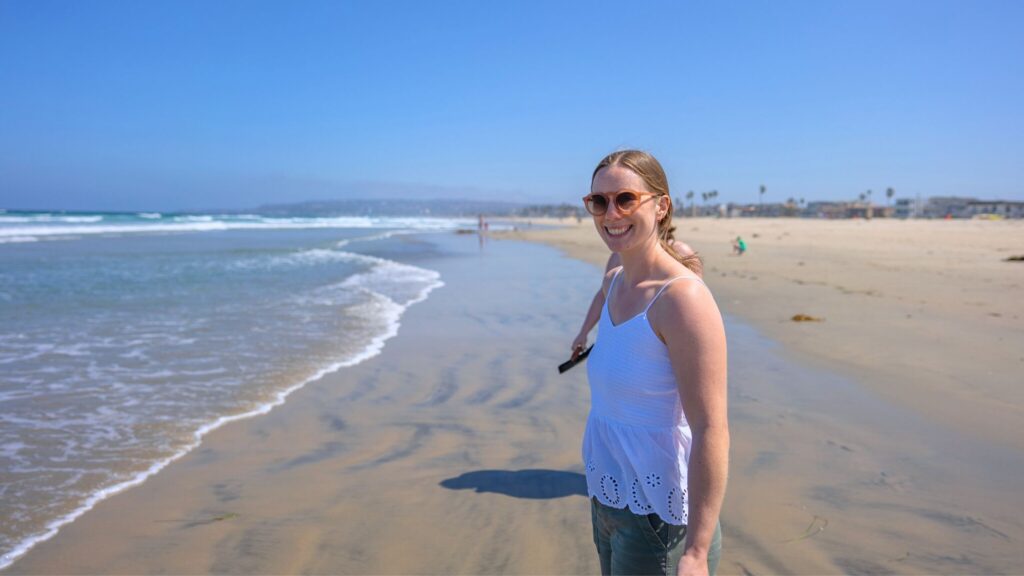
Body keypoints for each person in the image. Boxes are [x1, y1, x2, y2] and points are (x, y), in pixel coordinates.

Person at [576, 150, 728, 576]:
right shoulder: (614, 282)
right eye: (599, 201)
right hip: (607, 499)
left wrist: (696, 553)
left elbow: (711, 428)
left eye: (626, 198)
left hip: (660, 521)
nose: (611, 213)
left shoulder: (682, 299)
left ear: (661, 206)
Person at [572, 238, 701, 355]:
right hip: (628, 337)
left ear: (662, 212)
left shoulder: (680, 250)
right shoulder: (619, 256)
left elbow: (698, 299)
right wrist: (583, 333)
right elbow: (603, 296)